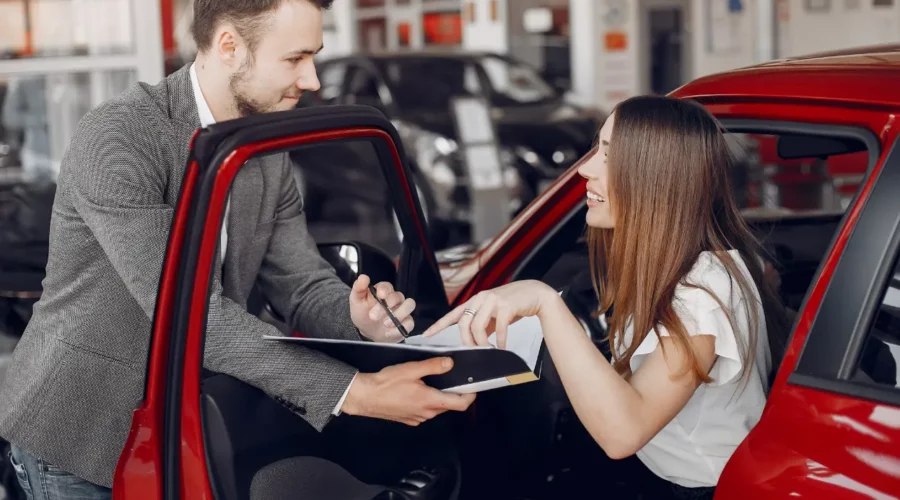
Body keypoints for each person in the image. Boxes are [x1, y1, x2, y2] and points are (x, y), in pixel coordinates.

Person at [0, 0, 475, 498]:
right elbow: (191, 316)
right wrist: (357, 394)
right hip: (84, 431)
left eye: (313, 56)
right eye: (294, 59)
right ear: (229, 45)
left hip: (186, 420)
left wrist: (360, 319)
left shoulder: (264, 147)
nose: (312, 79)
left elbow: (300, 283)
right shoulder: (121, 137)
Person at [425, 95, 789, 499]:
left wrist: (545, 302)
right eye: (596, 148)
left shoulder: (703, 290)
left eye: (609, 154)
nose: (585, 168)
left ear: (655, 176)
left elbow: (623, 433)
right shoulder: (679, 266)